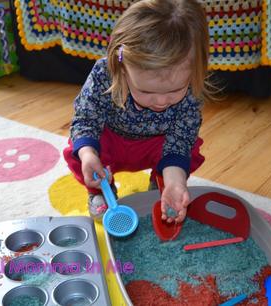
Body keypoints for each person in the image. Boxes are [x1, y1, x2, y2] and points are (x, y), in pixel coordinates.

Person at [63, 0, 211, 223]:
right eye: (146, 91)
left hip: (158, 145)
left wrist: (175, 182)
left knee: (187, 151)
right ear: (121, 68)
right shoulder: (105, 74)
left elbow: (179, 140)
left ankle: (162, 184)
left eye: (175, 90)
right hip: (112, 141)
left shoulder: (191, 89)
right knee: (81, 148)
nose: (161, 101)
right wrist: (88, 154)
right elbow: (86, 117)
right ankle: (101, 190)